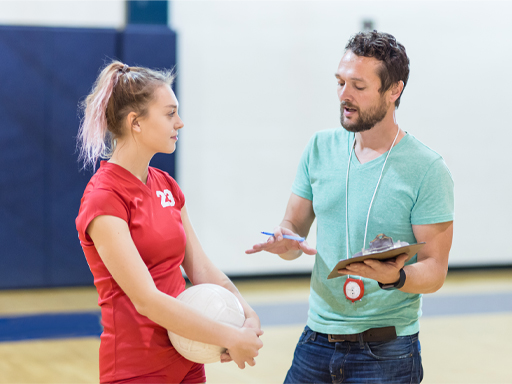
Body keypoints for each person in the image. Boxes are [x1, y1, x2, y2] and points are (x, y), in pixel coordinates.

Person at [247, 30, 453, 384]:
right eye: (340, 82)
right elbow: (293, 229)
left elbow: (435, 269)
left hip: (387, 350)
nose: (344, 95)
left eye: (358, 86)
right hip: (315, 340)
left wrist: (397, 277)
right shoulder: (319, 148)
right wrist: (286, 243)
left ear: (394, 91)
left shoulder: (427, 169)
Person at [76, 61, 263, 384]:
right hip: (136, 369)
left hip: (188, 357)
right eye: (169, 114)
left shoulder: (166, 185)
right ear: (136, 122)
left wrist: (247, 313)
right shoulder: (103, 198)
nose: (180, 122)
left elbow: (201, 269)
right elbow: (146, 300)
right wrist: (229, 337)